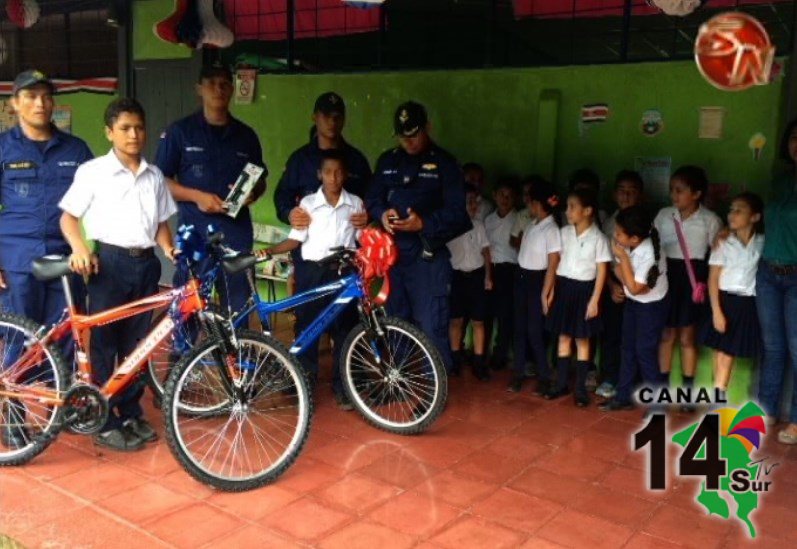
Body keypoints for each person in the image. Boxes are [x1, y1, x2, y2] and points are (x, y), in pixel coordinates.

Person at [60, 98, 178, 451]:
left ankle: (130, 412)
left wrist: (169, 248)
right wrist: (80, 249)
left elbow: (160, 223)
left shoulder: (154, 175)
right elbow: (67, 217)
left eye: (139, 127)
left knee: (137, 346)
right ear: (109, 132)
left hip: (146, 265)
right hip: (109, 265)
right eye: (125, 128)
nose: (133, 134)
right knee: (105, 345)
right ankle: (105, 418)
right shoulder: (93, 172)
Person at [366, 101, 471, 372]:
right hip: (393, 257)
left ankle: (434, 392)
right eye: (403, 136)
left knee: (431, 324)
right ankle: (399, 381)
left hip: (426, 257)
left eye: (413, 134)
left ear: (427, 128)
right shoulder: (388, 160)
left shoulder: (445, 164)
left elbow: (459, 214)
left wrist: (424, 223)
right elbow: (373, 198)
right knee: (395, 321)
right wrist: (382, 213)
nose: (408, 142)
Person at [154, 64, 266, 318]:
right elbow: (160, 181)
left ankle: (237, 358)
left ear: (232, 89)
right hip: (195, 233)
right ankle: (184, 358)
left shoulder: (246, 136)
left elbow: (259, 178)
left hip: (236, 234)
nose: (219, 88)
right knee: (188, 305)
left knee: (238, 307)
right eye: (212, 83)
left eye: (225, 83)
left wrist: (253, 194)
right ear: (199, 89)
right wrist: (197, 197)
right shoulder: (180, 132)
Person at [261, 150, 362, 410]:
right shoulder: (307, 204)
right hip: (312, 272)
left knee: (345, 329)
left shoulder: (356, 204)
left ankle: (344, 388)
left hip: (343, 272)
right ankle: (304, 385)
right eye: (328, 172)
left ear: (345, 175)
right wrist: (270, 251)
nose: (334, 177)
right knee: (307, 329)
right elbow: (295, 239)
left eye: (339, 172)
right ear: (320, 175)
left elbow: (362, 237)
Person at [0, 69, 93, 325]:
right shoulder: (2, 148)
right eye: (31, 96)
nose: (40, 104)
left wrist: (90, 249)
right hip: (16, 262)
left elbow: (101, 204)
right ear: (15, 103)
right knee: (20, 344)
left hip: (65, 261)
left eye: (46, 97)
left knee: (66, 343)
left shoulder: (77, 149)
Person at [654, 166, 722, 410]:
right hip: (667, 277)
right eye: (672, 190)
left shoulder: (710, 220)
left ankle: (687, 393)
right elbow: (652, 245)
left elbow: (717, 253)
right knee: (666, 335)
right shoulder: (664, 215)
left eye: (680, 191)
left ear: (696, 193)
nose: (674, 195)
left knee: (687, 337)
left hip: (693, 281)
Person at [545, 188, 611, 406]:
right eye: (567, 206)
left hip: (585, 291)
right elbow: (555, 263)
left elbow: (602, 271)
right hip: (564, 288)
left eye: (573, 207)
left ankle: (580, 389)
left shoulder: (598, 238)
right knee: (564, 337)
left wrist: (595, 299)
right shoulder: (563, 233)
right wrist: (552, 288)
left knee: (582, 340)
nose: (568, 211)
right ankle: (561, 384)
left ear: (588, 210)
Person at [600, 206, 669, 412]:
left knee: (645, 352)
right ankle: (623, 396)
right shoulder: (629, 245)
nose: (615, 235)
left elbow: (634, 288)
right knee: (627, 348)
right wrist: (622, 262)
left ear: (635, 238)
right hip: (634, 304)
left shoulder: (648, 253)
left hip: (651, 307)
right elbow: (621, 276)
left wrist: (623, 258)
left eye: (619, 233)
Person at [274, 92, 371, 231]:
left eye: (337, 117)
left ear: (344, 120)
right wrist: (290, 214)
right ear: (314, 117)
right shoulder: (300, 160)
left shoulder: (356, 160)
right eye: (326, 116)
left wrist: (368, 215)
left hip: (346, 243)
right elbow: (283, 195)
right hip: (307, 242)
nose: (332, 122)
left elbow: (372, 198)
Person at [757, 118, 797, 442]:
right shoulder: (780, 179)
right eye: (795, 137)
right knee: (773, 349)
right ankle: (765, 410)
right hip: (768, 273)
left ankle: (795, 419)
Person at [702, 193, 764, 403]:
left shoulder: (763, 242)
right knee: (720, 353)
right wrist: (717, 311)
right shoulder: (724, 242)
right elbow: (713, 279)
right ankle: (718, 397)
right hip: (723, 300)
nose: (732, 214)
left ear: (755, 217)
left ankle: (717, 397)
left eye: (739, 210)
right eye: (731, 209)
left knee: (727, 354)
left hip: (746, 302)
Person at [509, 179, 561, 394]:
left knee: (535, 331)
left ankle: (544, 376)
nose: (528, 206)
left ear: (537, 204)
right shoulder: (532, 224)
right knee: (519, 329)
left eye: (530, 202)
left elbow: (553, 264)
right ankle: (518, 373)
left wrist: (545, 292)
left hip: (538, 280)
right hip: (522, 278)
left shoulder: (551, 229)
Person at [597, 170, 645, 399]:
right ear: (615, 194)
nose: (626, 196)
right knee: (612, 333)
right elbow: (602, 260)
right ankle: (609, 377)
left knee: (636, 336)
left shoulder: (646, 223)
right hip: (614, 283)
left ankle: (632, 382)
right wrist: (610, 285)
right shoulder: (609, 223)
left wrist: (631, 285)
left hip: (639, 283)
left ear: (641, 196)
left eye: (632, 191)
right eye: (622, 191)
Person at [448, 185, 493, 380]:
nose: (473, 205)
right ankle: (455, 362)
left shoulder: (479, 225)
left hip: (476, 276)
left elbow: (486, 253)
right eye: (468, 201)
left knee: (478, 322)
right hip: (456, 276)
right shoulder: (450, 225)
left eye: (475, 201)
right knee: (456, 321)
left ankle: (479, 363)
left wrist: (488, 276)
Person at [484, 178, 518, 370]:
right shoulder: (489, 219)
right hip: (490, 269)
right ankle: (482, 352)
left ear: (515, 198)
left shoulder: (519, 218)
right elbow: (485, 247)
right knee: (486, 314)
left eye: (509, 196)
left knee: (505, 316)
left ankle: (500, 354)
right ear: (494, 195)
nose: (505, 199)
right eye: (501, 195)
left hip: (509, 270)